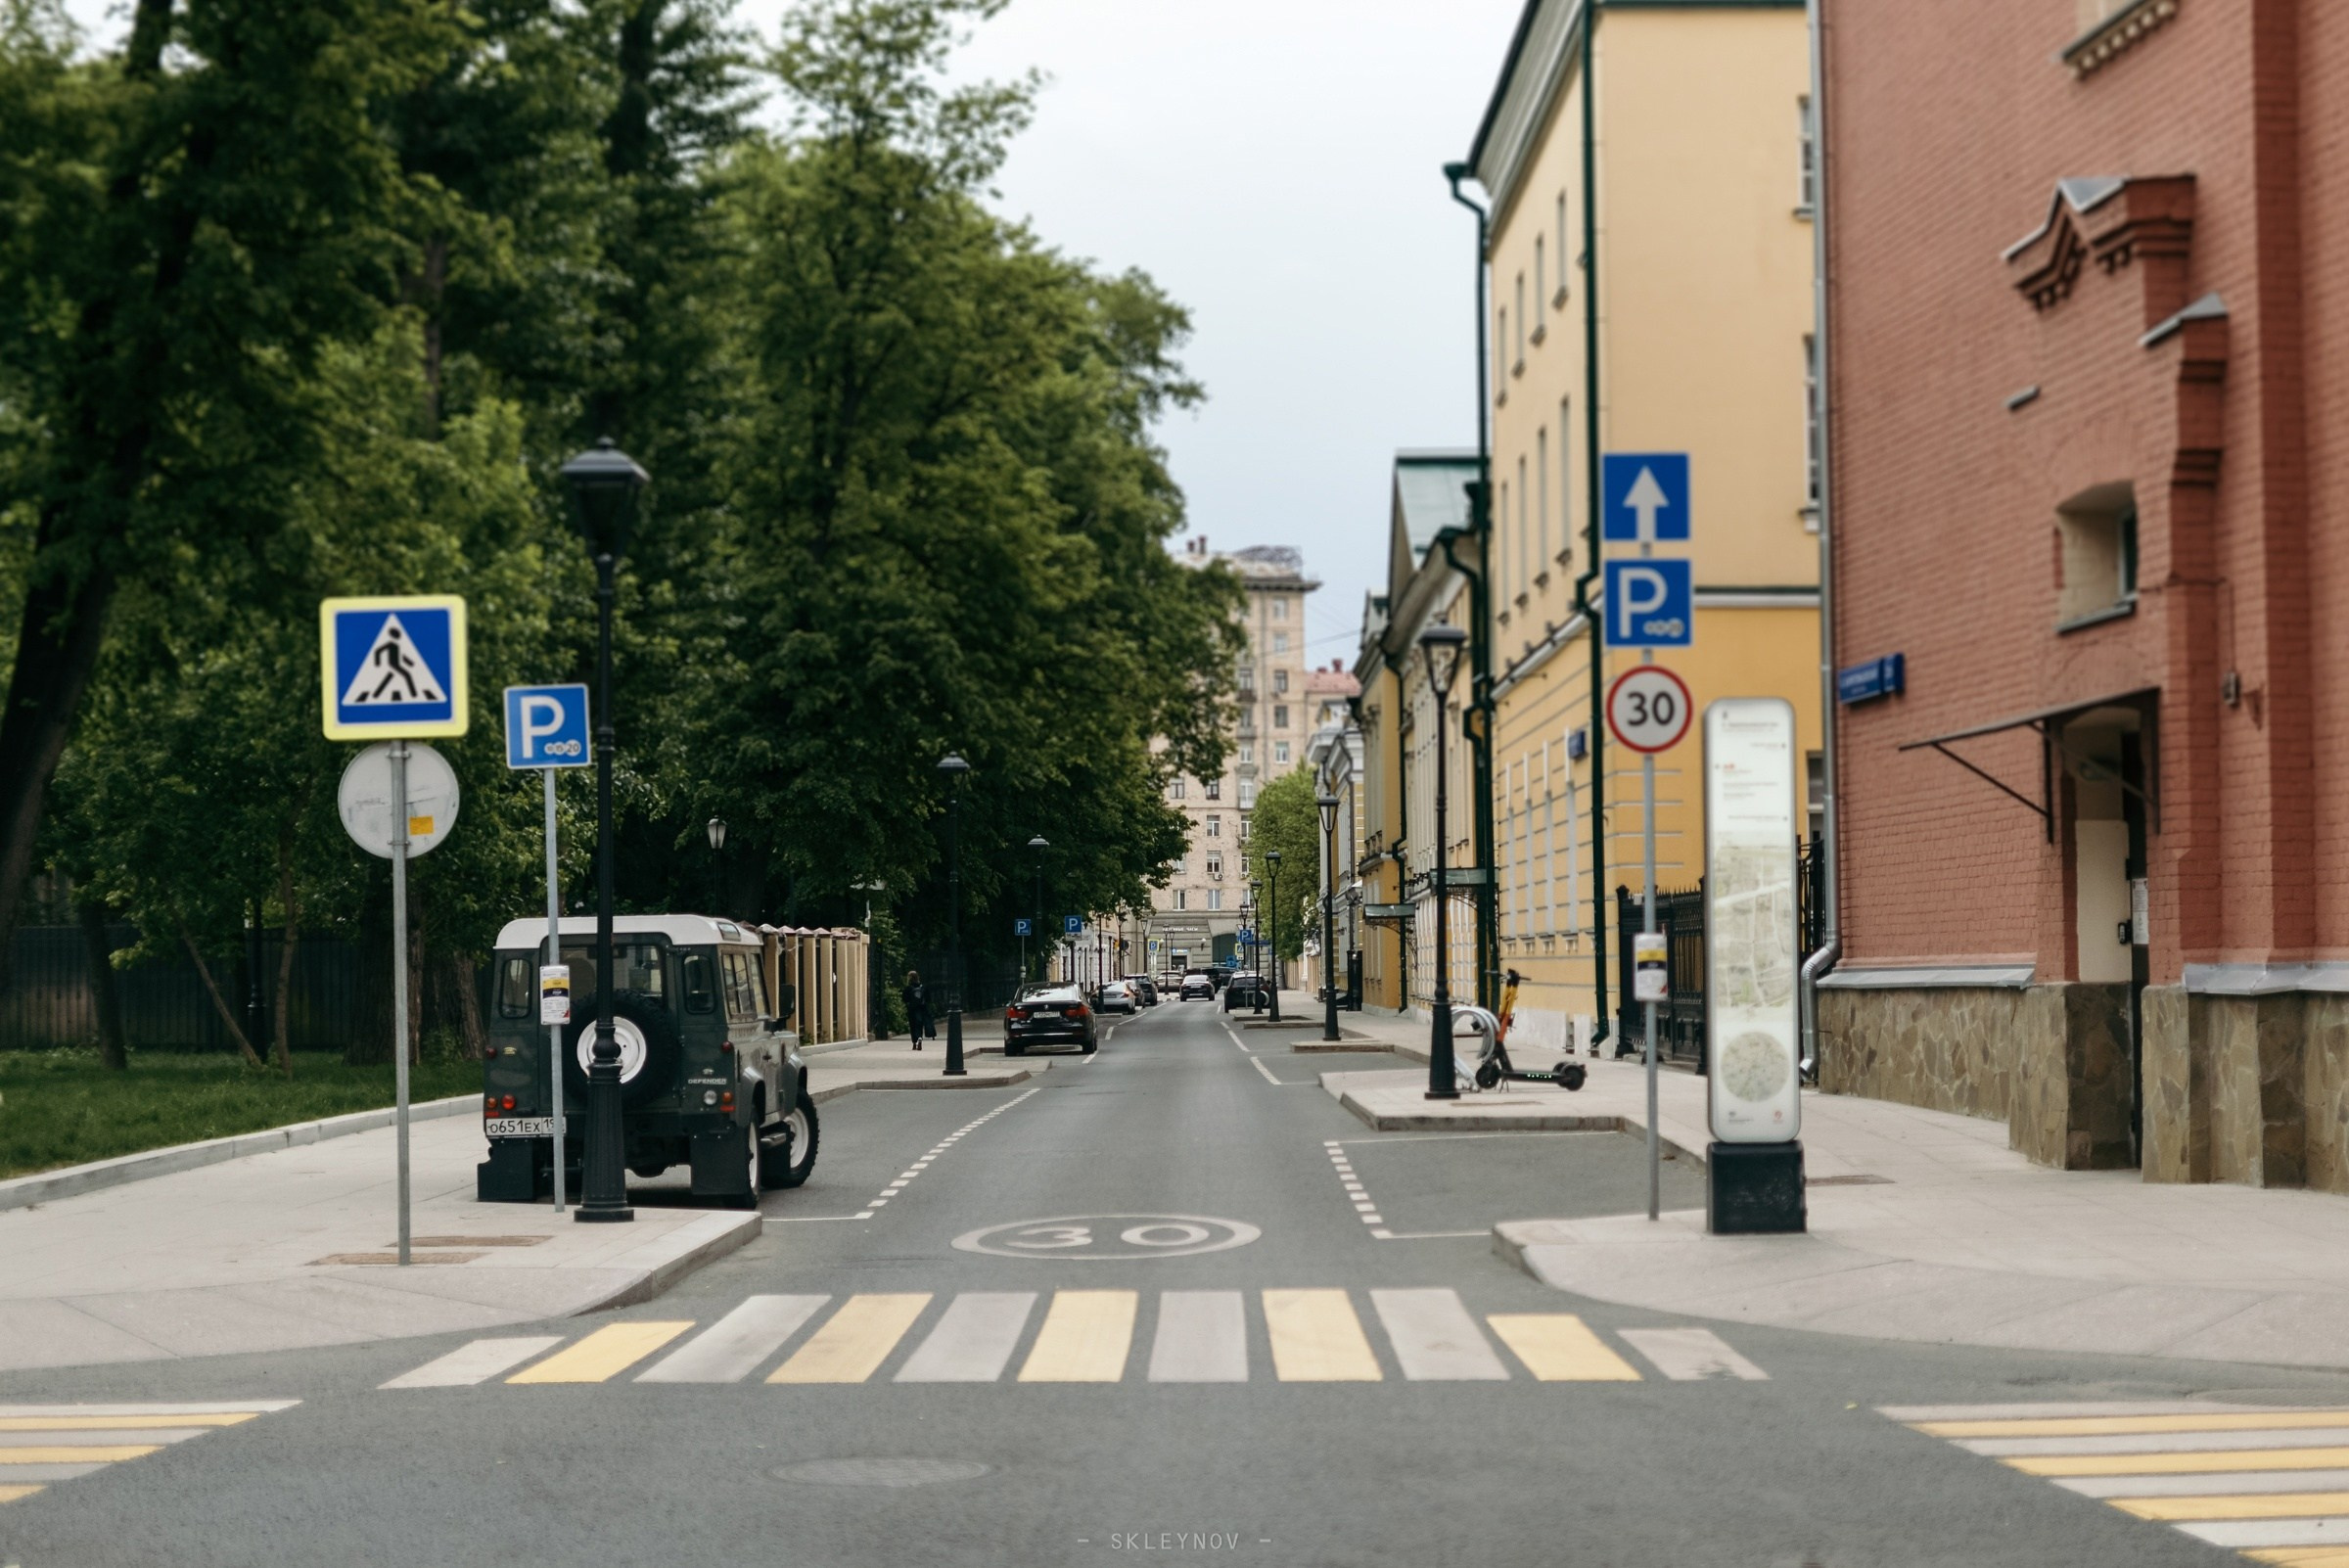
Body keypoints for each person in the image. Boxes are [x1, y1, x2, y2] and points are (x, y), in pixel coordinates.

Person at [901, 970, 933, 1049]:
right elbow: (928, 999)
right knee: (920, 1024)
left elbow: (904, 999)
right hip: (922, 1008)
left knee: (913, 1025)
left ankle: (914, 1042)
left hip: (912, 1009)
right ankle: (920, 1037)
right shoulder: (923, 987)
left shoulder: (908, 988)